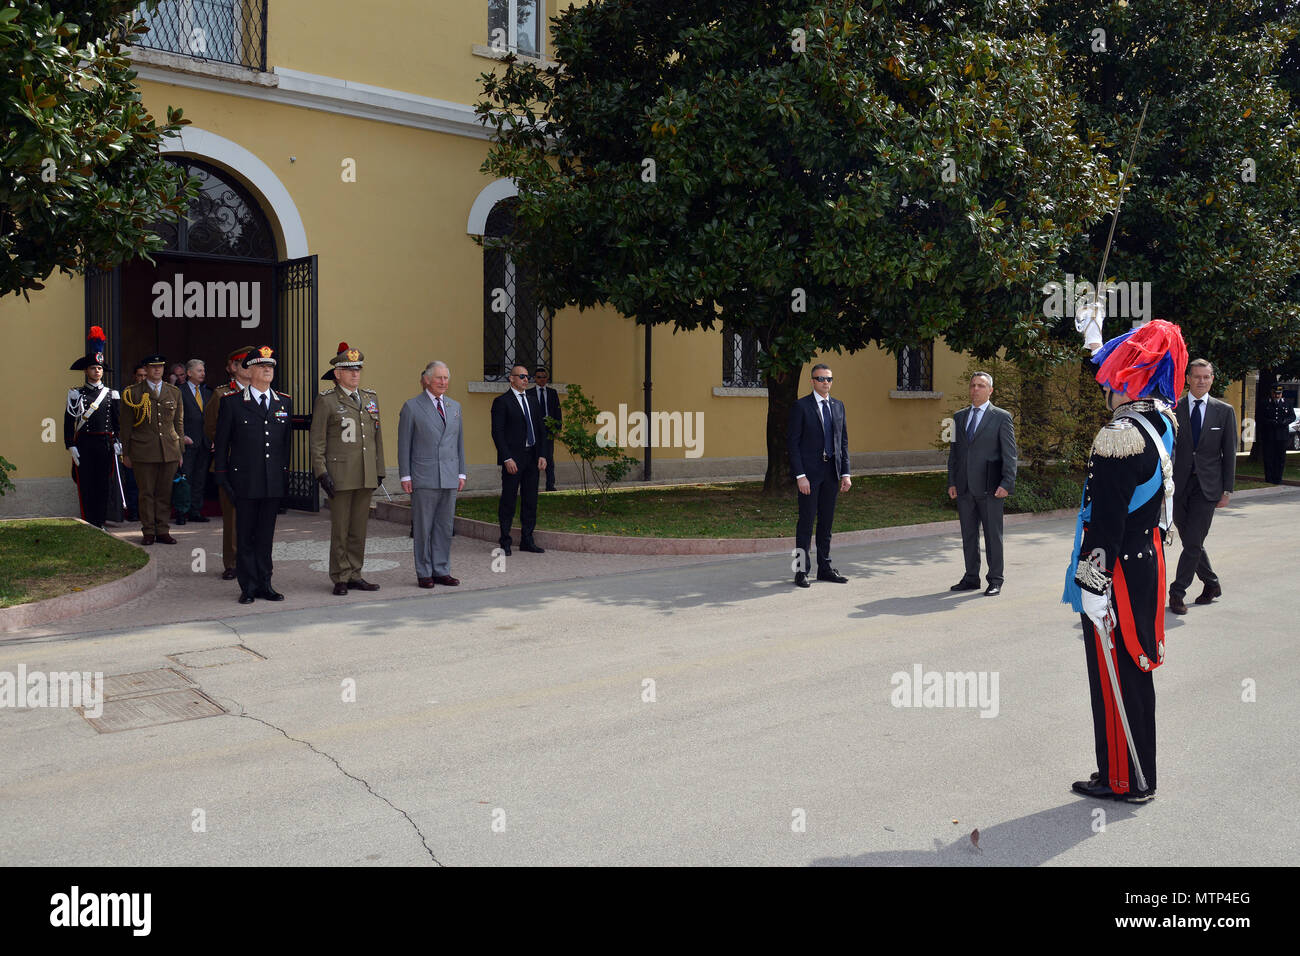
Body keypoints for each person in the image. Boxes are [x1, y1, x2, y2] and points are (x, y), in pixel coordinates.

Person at [1065, 319, 1187, 805]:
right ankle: (1139, 771)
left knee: (1112, 669)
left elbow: (1105, 522)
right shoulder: (1162, 421)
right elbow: (1128, 364)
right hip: (1146, 561)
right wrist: (1094, 336)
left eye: (1114, 373)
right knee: (1136, 669)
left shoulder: (1118, 435)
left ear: (1127, 380)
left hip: (1113, 569)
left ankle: (1124, 778)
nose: (1106, 382)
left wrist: (1091, 584)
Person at [214, 346, 292, 604]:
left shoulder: (284, 402)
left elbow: (285, 445)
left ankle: (265, 584)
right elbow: (222, 443)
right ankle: (247, 586)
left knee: (265, 537)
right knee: (245, 536)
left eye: (270, 366)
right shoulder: (232, 403)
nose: (268, 370)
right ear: (249, 370)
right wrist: (224, 479)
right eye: (261, 366)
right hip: (244, 482)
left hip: (272, 482)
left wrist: (284, 477)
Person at [311, 343, 386, 595]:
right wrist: (321, 472)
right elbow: (317, 441)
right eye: (349, 370)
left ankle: (356, 573)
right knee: (340, 529)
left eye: (358, 369)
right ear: (337, 373)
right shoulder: (327, 401)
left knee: (359, 529)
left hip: (365, 473)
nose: (355, 374)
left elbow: (377, 438)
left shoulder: (370, 398)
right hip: (340, 474)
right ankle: (340, 576)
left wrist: (380, 468)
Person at [1168, 359, 1237, 614]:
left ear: (1212, 379)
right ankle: (1212, 583)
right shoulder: (1173, 408)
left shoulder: (1224, 411)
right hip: (1179, 486)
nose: (1201, 381)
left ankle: (1177, 593)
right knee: (1191, 541)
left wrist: (1227, 490)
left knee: (1194, 542)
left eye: (1206, 377)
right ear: (1188, 378)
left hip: (1208, 488)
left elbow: (1229, 453)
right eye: (1197, 376)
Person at [947, 372, 1018, 596]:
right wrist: (952, 481)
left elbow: (1010, 453)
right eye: (973, 385)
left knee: (992, 536)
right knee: (968, 535)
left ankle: (995, 579)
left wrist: (1007, 482)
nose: (975, 389)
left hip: (991, 487)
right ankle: (970, 577)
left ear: (990, 391)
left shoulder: (1001, 417)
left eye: (981, 385)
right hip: (964, 487)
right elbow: (954, 454)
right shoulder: (958, 417)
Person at [398, 361, 466, 588]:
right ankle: (424, 571)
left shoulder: (454, 406)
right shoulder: (412, 407)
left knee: (444, 527)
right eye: (439, 378)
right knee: (423, 527)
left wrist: (461, 472)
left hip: (448, 475)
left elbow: (459, 444)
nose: (443, 382)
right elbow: (404, 444)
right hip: (424, 476)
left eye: (446, 378)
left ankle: (441, 570)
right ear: (427, 380)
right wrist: (405, 476)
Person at [788, 363, 851, 587]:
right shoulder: (801, 406)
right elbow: (793, 445)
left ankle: (824, 568)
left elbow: (842, 442)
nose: (826, 383)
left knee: (826, 524)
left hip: (831, 473)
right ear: (812, 381)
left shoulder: (838, 406)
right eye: (821, 379)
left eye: (829, 379)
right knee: (805, 523)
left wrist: (846, 473)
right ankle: (800, 571)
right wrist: (800, 476)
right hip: (810, 475)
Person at [119, 354, 183, 545]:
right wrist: (126, 453)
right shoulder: (133, 393)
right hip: (143, 450)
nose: (157, 370)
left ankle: (163, 529)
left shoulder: (174, 392)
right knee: (146, 493)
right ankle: (148, 531)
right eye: (153, 367)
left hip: (169, 449)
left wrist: (180, 451)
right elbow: (126, 426)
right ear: (146, 369)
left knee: (165, 492)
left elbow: (178, 423)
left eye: (160, 367)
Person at [64, 327, 122, 529]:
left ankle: (100, 521)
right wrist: (70, 444)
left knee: (103, 485)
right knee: (86, 485)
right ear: (86, 371)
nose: (97, 371)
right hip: (85, 444)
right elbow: (68, 422)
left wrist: (118, 442)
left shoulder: (111, 394)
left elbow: (117, 422)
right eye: (93, 368)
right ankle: (88, 521)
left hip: (105, 444)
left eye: (99, 368)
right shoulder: (76, 394)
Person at [205, 346, 254, 581]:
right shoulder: (222, 394)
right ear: (233, 367)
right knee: (233, 516)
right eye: (245, 362)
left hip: (256, 465)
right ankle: (232, 562)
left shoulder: (261, 391)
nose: (250, 367)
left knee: (256, 514)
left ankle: (252, 558)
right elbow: (212, 427)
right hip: (231, 462)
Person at [491, 365, 547, 555]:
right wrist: (507, 457)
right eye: (521, 376)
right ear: (511, 379)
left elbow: (540, 430)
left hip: (532, 457)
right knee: (509, 499)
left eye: (527, 376)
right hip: (513, 459)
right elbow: (497, 433)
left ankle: (527, 539)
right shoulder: (502, 402)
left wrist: (542, 454)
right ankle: (505, 540)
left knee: (531, 500)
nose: (526, 379)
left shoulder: (532, 401)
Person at [177, 358, 211, 525]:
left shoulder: (207, 393)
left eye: (203, 370)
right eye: (199, 370)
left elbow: (211, 418)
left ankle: (195, 511)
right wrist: (181, 436)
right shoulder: (179, 391)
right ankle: (181, 512)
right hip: (188, 442)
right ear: (189, 373)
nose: (203, 373)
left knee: (200, 479)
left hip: (204, 442)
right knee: (185, 478)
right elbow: (176, 417)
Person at [119, 363, 148, 522]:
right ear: (134, 377)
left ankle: (147, 513)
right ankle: (134, 511)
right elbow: (124, 423)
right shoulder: (127, 394)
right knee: (132, 481)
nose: (142, 379)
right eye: (140, 375)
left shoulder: (154, 393)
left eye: (145, 375)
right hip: (133, 444)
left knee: (149, 483)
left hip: (149, 445)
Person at [531, 366, 562, 491]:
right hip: (535, 429)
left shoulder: (552, 393)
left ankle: (550, 485)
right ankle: (533, 485)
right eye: (539, 377)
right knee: (534, 458)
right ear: (535, 379)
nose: (542, 379)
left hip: (549, 429)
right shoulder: (529, 393)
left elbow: (557, 411)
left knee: (549, 457)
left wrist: (557, 428)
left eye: (544, 377)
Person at [1257, 383, 1296, 484]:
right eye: (1275, 393)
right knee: (1268, 458)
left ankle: (1278, 479)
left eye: (1279, 394)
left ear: (1282, 393)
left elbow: (1292, 416)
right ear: (1271, 393)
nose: (1277, 396)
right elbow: (1259, 417)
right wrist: (1270, 422)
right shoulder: (1265, 403)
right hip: (1269, 435)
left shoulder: (1287, 403)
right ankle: (1269, 479)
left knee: (1280, 458)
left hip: (1282, 436)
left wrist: (1285, 422)